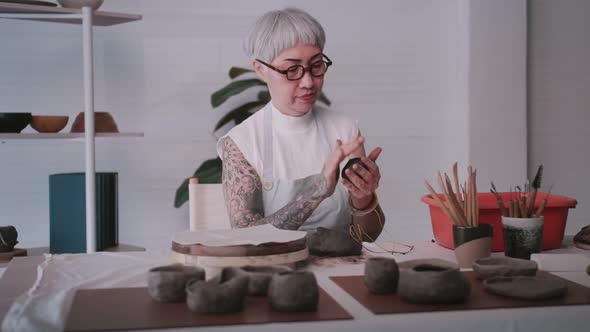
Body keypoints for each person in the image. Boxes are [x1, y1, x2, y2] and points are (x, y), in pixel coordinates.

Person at [216, 7, 385, 241]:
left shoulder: (345, 131)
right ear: (261, 70)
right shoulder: (242, 142)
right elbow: (248, 240)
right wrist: (317, 191)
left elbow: (367, 237)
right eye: (292, 69)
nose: (308, 81)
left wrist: (363, 198)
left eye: (316, 65)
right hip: (275, 273)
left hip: (340, 269)